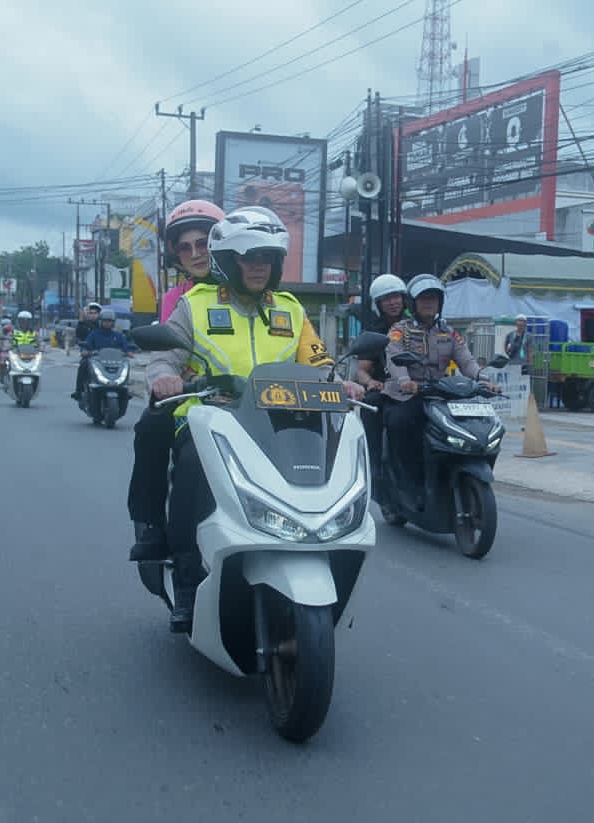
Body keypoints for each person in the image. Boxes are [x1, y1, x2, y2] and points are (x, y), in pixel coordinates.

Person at [145, 205, 364, 632]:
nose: (259, 265)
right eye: (248, 257)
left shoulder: (290, 309)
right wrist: (164, 378)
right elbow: (164, 357)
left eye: (267, 257)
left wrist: (343, 384)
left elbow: (320, 362)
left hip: (282, 422)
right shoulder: (196, 305)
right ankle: (187, 581)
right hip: (212, 421)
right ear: (228, 261)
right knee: (190, 470)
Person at [127, 200, 226, 562]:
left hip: (257, 400)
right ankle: (154, 525)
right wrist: (168, 377)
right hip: (198, 398)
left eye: (203, 243)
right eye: (185, 247)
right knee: (151, 426)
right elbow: (170, 351)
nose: (196, 254)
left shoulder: (266, 296)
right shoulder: (178, 299)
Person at [382, 273, 495, 498]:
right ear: (413, 303)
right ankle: (408, 483)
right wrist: (405, 381)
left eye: (433, 298)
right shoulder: (399, 330)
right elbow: (394, 358)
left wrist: (483, 378)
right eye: (424, 299)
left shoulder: (448, 332)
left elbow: (466, 361)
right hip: (406, 395)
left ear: (440, 303)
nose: (429, 303)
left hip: (440, 394)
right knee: (401, 423)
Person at [356, 274, 408, 487]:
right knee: (370, 404)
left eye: (396, 296)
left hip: (415, 386)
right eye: (386, 299)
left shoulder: (416, 325)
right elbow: (361, 371)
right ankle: (373, 466)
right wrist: (370, 382)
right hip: (384, 387)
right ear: (378, 304)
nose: (393, 302)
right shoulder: (373, 332)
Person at [72, 303, 103, 397]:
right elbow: (79, 335)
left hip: (103, 354)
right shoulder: (84, 325)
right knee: (83, 365)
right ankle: (79, 391)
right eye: (90, 313)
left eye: (95, 313)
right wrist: (81, 321)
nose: (93, 315)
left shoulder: (103, 325)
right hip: (89, 354)